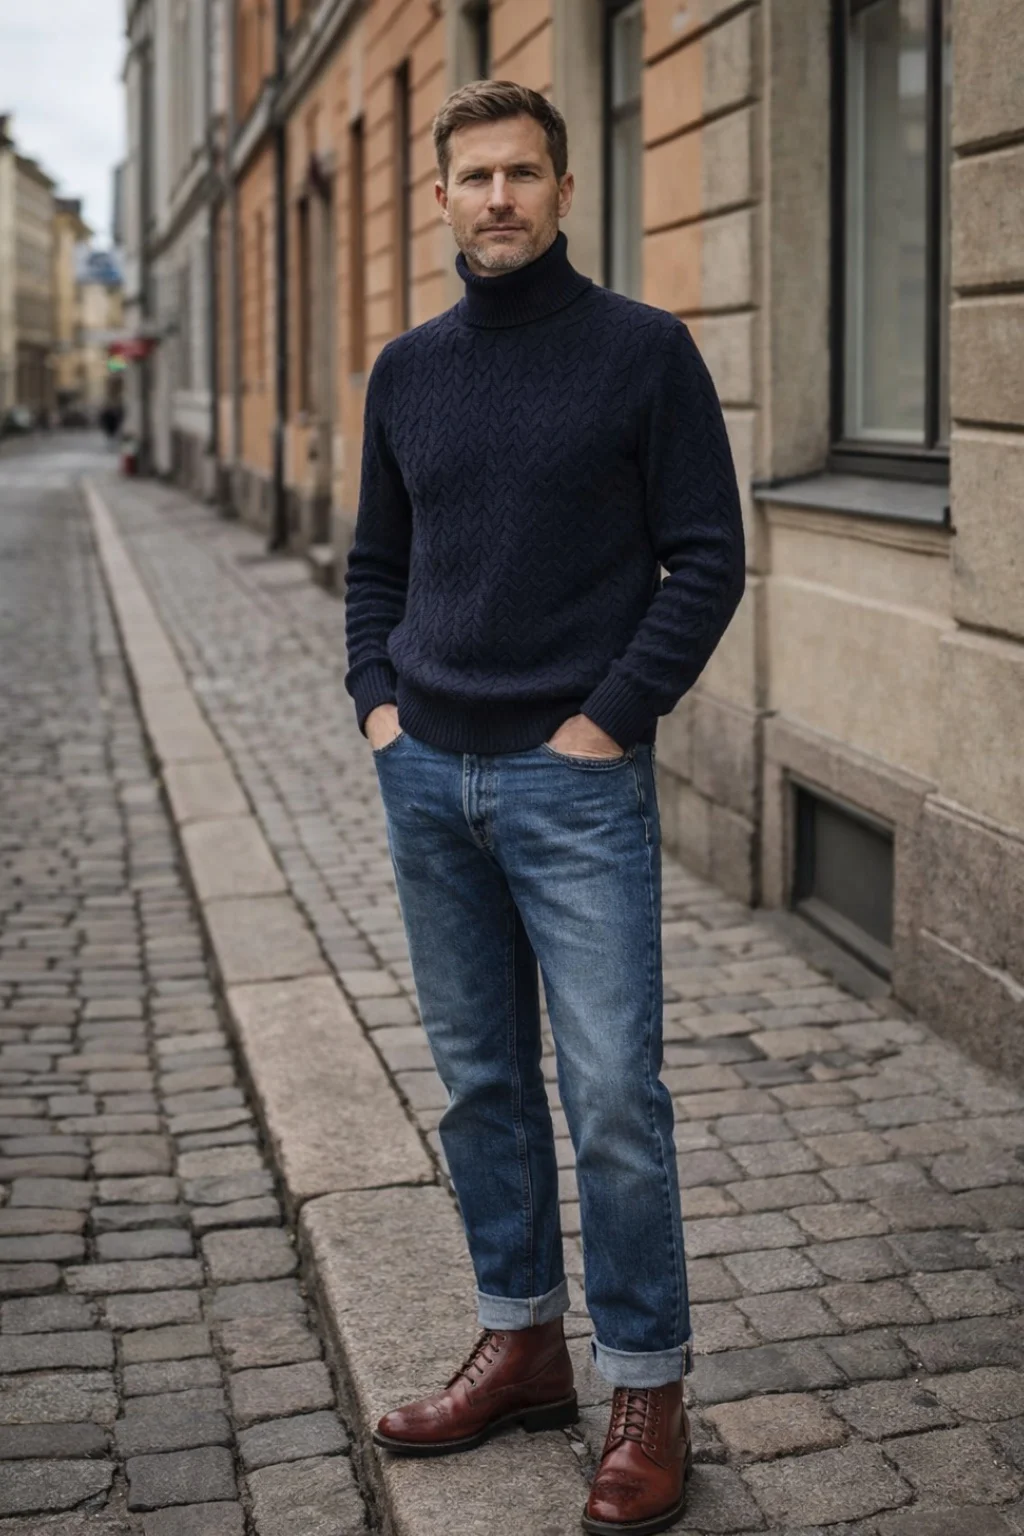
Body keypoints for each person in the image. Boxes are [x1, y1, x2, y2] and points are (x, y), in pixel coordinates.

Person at [344, 79, 744, 1536]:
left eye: (523, 173)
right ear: (441, 199)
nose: (499, 197)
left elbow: (707, 557)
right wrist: (380, 709)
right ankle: (520, 1345)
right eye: (475, 177)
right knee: (482, 1087)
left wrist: (605, 723)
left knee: (616, 1095)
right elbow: (376, 566)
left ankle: (646, 1387)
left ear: (565, 191)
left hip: (573, 785)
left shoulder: (644, 353)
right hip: (427, 775)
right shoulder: (407, 370)